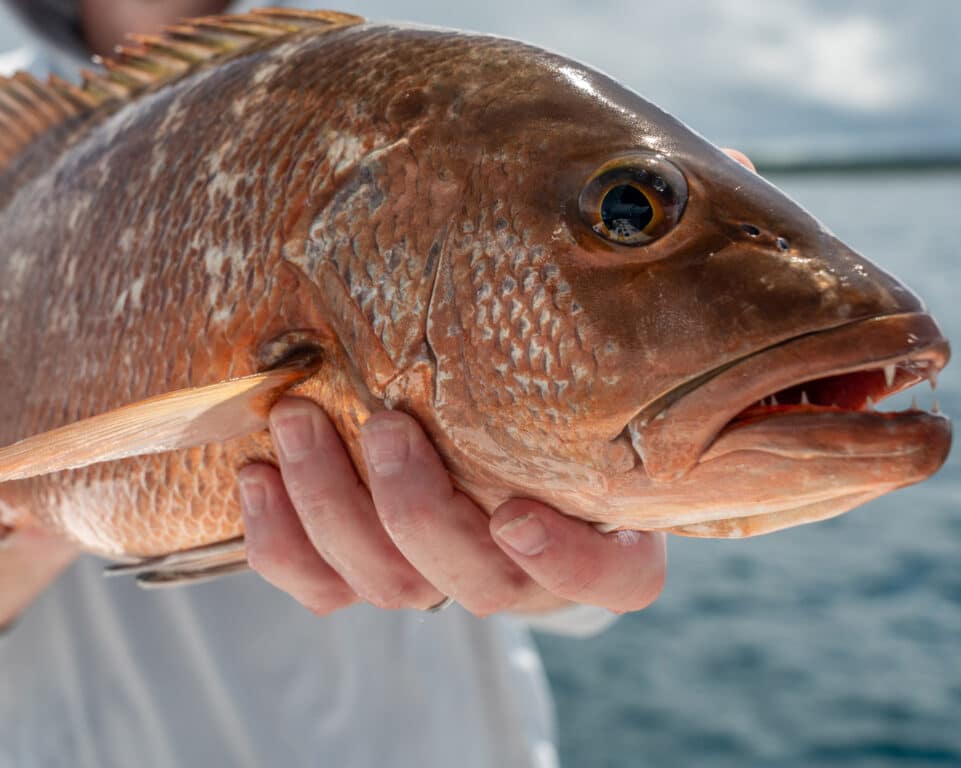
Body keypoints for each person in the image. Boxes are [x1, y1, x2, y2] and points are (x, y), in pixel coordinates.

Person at [0, 2, 757, 765]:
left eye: (630, 212)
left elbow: (581, 594)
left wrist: (565, 557)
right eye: (624, 212)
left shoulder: (407, 83)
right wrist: (31, 519)